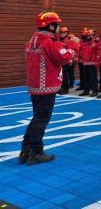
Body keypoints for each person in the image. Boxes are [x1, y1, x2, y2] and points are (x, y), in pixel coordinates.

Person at [19, 11, 74, 164]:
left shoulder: (33, 40)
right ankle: (36, 152)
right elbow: (64, 57)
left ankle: (25, 149)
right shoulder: (48, 41)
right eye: (57, 25)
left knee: (37, 118)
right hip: (46, 86)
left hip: (35, 86)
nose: (59, 28)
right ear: (51, 26)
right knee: (42, 120)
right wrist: (72, 45)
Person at [57, 26, 78, 94]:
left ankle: (65, 89)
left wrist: (71, 59)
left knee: (65, 75)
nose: (63, 34)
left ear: (67, 33)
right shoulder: (58, 40)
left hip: (66, 61)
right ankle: (60, 88)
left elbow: (73, 50)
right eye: (61, 32)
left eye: (64, 32)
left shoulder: (69, 41)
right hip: (59, 61)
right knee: (59, 75)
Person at [78, 29, 98, 96]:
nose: (89, 37)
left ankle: (95, 91)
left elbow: (98, 52)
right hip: (85, 63)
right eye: (88, 36)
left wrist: (97, 62)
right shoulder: (84, 43)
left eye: (90, 35)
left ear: (93, 35)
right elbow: (81, 51)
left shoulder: (95, 43)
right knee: (85, 78)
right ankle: (86, 91)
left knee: (93, 78)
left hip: (92, 63)